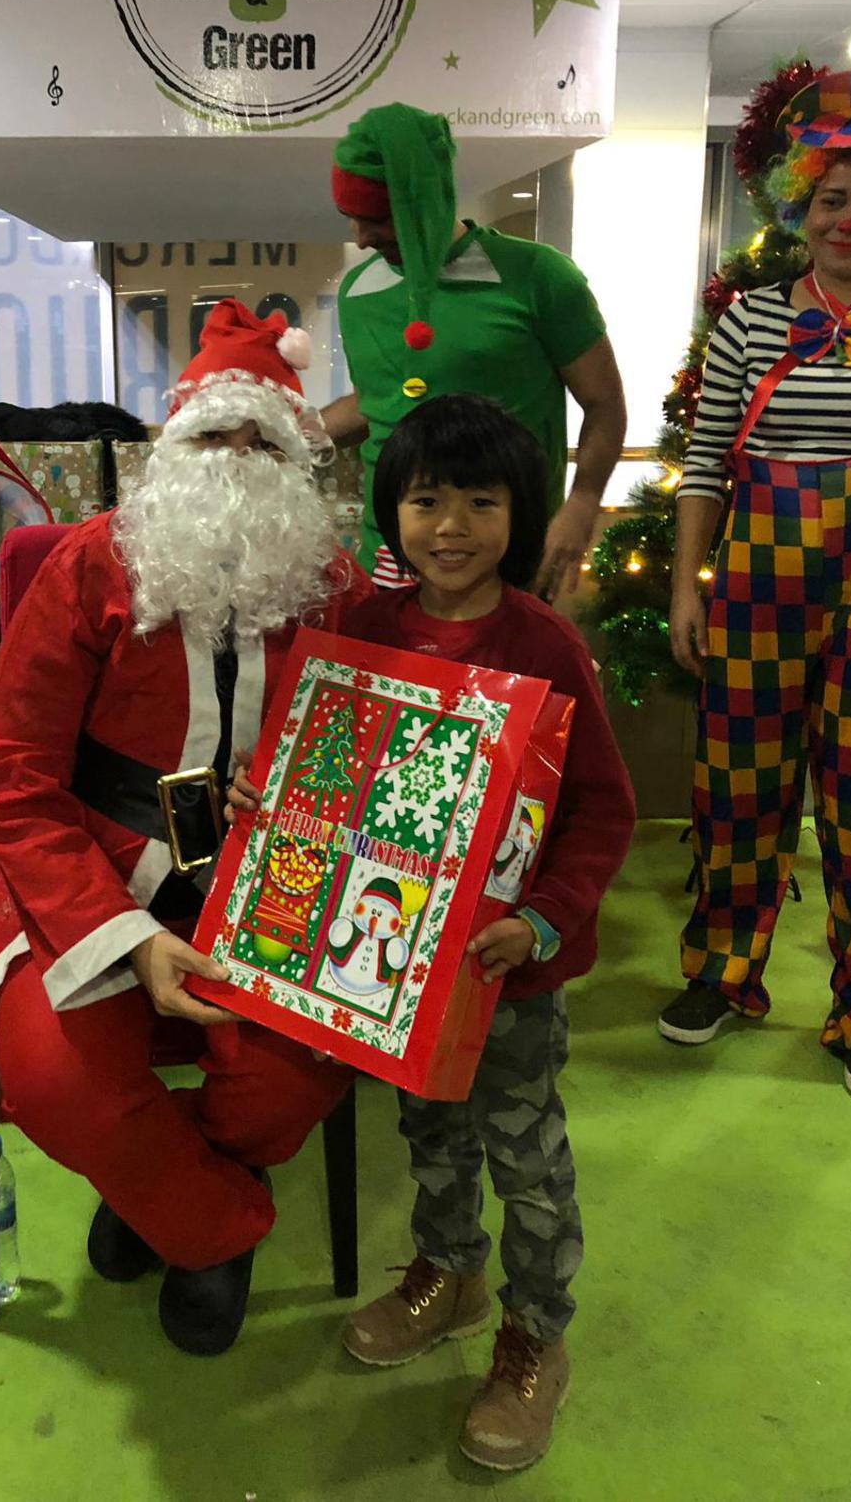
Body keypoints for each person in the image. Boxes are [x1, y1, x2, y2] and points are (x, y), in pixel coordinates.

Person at [0, 300, 371, 1358]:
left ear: (295, 463)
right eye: (211, 435)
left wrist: (299, 806)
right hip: (77, 857)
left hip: (267, 870)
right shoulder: (89, 565)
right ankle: (214, 1227)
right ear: (172, 446)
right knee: (56, 1081)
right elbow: (12, 771)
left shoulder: (334, 587)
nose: (233, 460)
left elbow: (366, 754)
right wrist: (129, 940)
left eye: (260, 441)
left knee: (291, 1078)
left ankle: (156, 1193)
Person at [230, 393, 635, 1471]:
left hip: (509, 970)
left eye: (480, 502)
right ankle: (448, 1275)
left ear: (519, 512)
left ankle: (536, 1335)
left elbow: (604, 810)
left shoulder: (544, 642)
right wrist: (266, 795)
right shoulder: (360, 629)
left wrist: (542, 921)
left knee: (526, 1156)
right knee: (430, 1135)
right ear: (391, 511)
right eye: (425, 501)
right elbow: (321, 764)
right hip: (394, 966)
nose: (450, 526)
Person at [661, 68, 851, 1105]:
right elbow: (705, 465)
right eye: (833, 198)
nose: (849, 220)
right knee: (738, 793)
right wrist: (685, 588)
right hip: (755, 589)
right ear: (802, 204)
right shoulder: (750, 321)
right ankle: (720, 975)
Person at [323, 102, 626, 599]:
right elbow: (373, 401)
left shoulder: (538, 276)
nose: (361, 239)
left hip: (504, 554)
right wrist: (279, 429)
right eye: (352, 219)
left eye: (378, 219)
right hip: (389, 559)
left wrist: (583, 502)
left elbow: (604, 402)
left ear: (427, 202)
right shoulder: (357, 291)